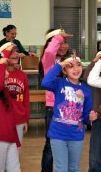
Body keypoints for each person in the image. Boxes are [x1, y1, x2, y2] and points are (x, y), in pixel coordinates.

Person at [41, 53, 93, 172]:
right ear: (64, 70)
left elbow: (86, 115)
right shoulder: (59, 83)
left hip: (76, 135)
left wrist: (91, 118)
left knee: (74, 168)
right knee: (61, 169)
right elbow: (45, 82)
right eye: (70, 66)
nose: (76, 69)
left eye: (78, 65)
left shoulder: (86, 90)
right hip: (57, 135)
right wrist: (60, 65)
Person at [39, 28, 73, 172]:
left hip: (70, 109)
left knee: (68, 144)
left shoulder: (68, 60)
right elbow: (49, 52)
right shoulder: (49, 61)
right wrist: (58, 38)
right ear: (52, 43)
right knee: (51, 145)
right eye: (60, 42)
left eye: (65, 42)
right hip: (54, 108)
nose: (64, 45)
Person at [0, 46, 21, 171]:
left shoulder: (4, 91)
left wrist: (16, 142)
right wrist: (2, 61)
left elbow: (10, 119)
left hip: (10, 140)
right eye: (4, 70)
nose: (8, 73)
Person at [0, 44, 30, 145]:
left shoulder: (22, 75)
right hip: (2, 120)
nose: (16, 54)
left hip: (19, 119)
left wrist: (26, 119)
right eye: (12, 52)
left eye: (17, 51)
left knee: (16, 151)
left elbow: (26, 99)